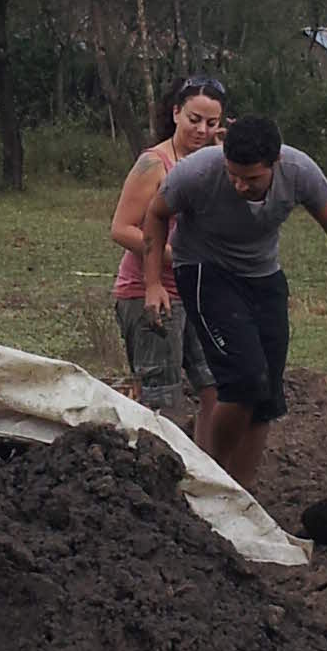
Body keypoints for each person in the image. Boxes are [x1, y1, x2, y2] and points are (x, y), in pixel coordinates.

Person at [140, 114, 327, 494]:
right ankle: (210, 478)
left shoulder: (299, 170)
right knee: (244, 380)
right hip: (204, 271)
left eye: (252, 179)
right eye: (234, 175)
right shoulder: (196, 173)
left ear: (275, 162)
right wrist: (152, 284)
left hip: (263, 276)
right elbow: (155, 214)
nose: (240, 184)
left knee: (265, 394)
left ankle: (243, 493)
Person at [107, 75, 227, 428]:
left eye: (211, 123)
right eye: (194, 120)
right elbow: (122, 228)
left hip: (200, 295)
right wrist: (176, 255)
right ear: (176, 113)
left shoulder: (218, 165)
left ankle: (207, 469)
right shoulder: (154, 164)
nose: (201, 130)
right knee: (161, 402)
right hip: (150, 292)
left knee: (217, 388)